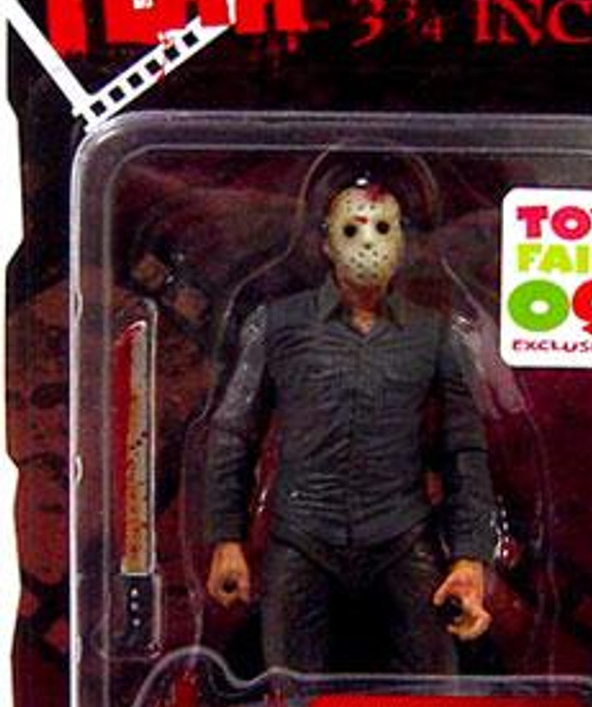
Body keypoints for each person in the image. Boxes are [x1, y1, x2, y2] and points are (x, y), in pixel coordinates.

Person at [204, 178, 495, 673]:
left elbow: (463, 448)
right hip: (302, 536)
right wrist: (226, 538)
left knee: (435, 686)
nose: (368, 243)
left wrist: (470, 557)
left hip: (400, 534)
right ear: (326, 242)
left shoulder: (436, 334)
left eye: (382, 228)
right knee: (290, 692)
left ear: (401, 240)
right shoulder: (275, 324)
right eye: (352, 229)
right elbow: (233, 431)